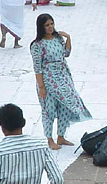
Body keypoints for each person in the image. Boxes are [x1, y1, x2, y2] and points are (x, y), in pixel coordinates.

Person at [30, 14, 91, 151]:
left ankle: (61, 136)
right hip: (48, 78)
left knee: (65, 106)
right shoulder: (37, 45)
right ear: (41, 27)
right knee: (49, 110)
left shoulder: (58, 39)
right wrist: (41, 87)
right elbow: (37, 67)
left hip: (63, 76)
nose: (50, 27)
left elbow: (66, 53)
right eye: (47, 25)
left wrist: (68, 37)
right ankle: (49, 138)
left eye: (52, 24)